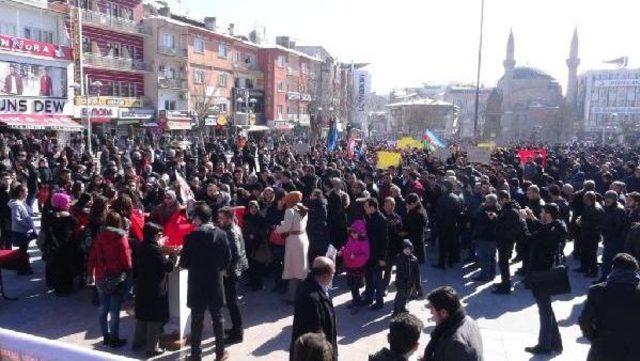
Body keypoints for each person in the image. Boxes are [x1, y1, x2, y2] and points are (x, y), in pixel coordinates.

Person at [180, 203, 231, 361]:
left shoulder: (190, 238)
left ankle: (196, 356)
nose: (192, 220)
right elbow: (227, 259)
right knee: (217, 318)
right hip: (214, 280)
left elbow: (184, 263)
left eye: (194, 217)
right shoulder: (221, 234)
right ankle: (220, 353)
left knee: (197, 320)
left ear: (199, 219)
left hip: (196, 283)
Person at [579, 253, 640, 361]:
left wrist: (595, 338)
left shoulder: (597, 291)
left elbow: (585, 320)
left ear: (613, 269)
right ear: (635, 271)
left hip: (604, 348)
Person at [524, 203, 566, 354]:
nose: (541, 214)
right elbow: (544, 230)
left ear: (548, 214)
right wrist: (534, 219)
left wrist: (525, 222)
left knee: (544, 310)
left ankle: (544, 345)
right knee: (547, 308)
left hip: (541, 273)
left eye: (543, 212)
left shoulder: (550, 230)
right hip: (546, 273)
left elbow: (529, 238)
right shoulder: (556, 227)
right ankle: (555, 342)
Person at [87, 211, 132, 348]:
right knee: (114, 311)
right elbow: (126, 259)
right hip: (116, 276)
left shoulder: (99, 236)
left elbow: (92, 256)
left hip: (101, 275)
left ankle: (105, 336)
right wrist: (129, 271)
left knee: (103, 308)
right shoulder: (121, 237)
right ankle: (114, 338)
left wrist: (90, 273)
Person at [132, 223, 176, 357]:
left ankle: (137, 342)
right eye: (160, 235)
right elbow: (168, 266)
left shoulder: (140, 245)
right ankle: (152, 348)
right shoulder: (154, 250)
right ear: (156, 236)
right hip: (154, 289)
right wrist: (173, 253)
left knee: (142, 316)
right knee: (154, 319)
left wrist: (160, 246)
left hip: (141, 286)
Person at [290, 257, 337, 361]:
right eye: (333, 273)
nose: (333, 276)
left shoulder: (310, 284)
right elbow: (315, 333)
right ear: (325, 276)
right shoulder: (311, 298)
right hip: (314, 354)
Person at [422, 286, 483, 361]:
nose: (431, 313)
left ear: (443, 313)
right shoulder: (468, 320)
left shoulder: (455, 344)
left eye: (432, 310)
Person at [217, 206, 248, 345]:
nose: (219, 220)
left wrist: (228, 270)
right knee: (231, 302)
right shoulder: (233, 227)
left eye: (222, 218)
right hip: (235, 269)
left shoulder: (231, 231)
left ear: (229, 218)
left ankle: (238, 333)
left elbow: (235, 254)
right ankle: (236, 328)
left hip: (232, 272)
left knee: (232, 303)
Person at [43, 192, 80, 295]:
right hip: (63, 246)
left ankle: (57, 286)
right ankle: (64, 289)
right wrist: (69, 215)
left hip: (55, 246)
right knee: (64, 268)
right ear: (61, 203)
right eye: (67, 202)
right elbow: (76, 223)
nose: (69, 204)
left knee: (57, 267)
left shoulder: (50, 213)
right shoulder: (66, 215)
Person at [276, 191, 310, 303]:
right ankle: (304, 294)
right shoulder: (302, 208)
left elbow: (286, 227)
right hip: (303, 238)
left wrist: (278, 227)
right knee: (302, 267)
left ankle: (293, 297)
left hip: (294, 241)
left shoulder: (289, 210)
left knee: (293, 269)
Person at [493, 191, 526, 294]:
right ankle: (504, 282)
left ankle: (506, 285)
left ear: (505, 199)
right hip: (504, 241)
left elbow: (511, 228)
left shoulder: (511, 211)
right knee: (503, 263)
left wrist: (505, 238)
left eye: (500, 200)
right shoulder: (508, 209)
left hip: (506, 241)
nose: (499, 202)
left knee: (504, 263)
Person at [363, 197, 389, 310]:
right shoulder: (370, 217)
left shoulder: (381, 219)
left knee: (377, 279)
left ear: (373, 207)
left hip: (377, 255)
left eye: (366, 206)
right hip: (369, 254)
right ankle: (369, 298)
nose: (365, 208)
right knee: (368, 277)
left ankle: (379, 302)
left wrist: (382, 257)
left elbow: (384, 240)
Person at [597, 190, 627, 283]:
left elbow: (618, 228)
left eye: (609, 199)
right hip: (608, 238)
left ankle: (609, 280)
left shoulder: (619, 210)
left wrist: (606, 231)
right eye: (606, 199)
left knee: (610, 260)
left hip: (615, 240)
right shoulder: (607, 207)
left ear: (614, 199)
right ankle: (605, 279)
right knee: (606, 260)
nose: (606, 201)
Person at [340, 220, 370, 312]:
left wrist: (355, 257)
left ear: (360, 232)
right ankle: (355, 301)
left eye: (355, 232)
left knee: (355, 286)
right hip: (349, 266)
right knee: (352, 286)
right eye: (352, 232)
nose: (353, 234)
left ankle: (357, 304)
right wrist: (343, 251)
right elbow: (347, 248)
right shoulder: (351, 239)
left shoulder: (363, 242)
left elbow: (365, 255)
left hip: (357, 268)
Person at [434, 180, 463, 269]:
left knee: (442, 245)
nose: (442, 187)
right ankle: (451, 261)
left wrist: (437, 224)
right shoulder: (457, 198)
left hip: (444, 225)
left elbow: (439, 214)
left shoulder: (442, 198)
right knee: (451, 244)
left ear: (446, 187)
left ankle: (441, 263)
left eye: (443, 186)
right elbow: (459, 212)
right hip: (454, 224)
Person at [8, 183, 36, 274]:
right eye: (26, 191)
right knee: (22, 251)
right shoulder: (16, 204)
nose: (27, 193)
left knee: (23, 250)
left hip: (23, 231)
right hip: (21, 232)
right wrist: (28, 226)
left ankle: (24, 267)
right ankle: (22, 269)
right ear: (20, 193)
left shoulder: (21, 202)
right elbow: (16, 218)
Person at [472, 194, 498, 282]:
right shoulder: (497, 210)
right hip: (493, 238)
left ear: (491, 202)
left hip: (485, 237)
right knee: (492, 257)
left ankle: (484, 276)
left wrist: (481, 209)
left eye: (486, 201)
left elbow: (482, 221)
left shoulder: (489, 211)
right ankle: (491, 274)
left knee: (485, 258)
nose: (485, 203)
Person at [393, 239, 422, 316]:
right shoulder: (399, 258)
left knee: (406, 296)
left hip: (410, 283)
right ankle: (396, 310)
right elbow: (398, 270)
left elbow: (417, 273)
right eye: (405, 249)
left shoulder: (414, 259)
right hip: (401, 282)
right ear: (402, 249)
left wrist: (418, 285)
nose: (407, 251)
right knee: (399, 297)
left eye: (409, 249)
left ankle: (402, 308)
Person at [402, 193, 428, 264]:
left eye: (409, 204)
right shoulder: (415, 210)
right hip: (414, 240)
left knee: (413, 265)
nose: (407, 206)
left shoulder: (419, 214)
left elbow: (414, 228)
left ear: (415, 203)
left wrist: (405, 232)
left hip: (415, 242)